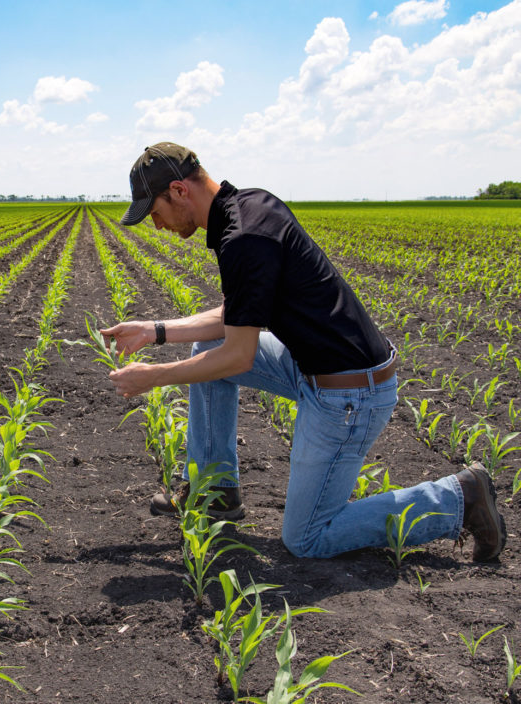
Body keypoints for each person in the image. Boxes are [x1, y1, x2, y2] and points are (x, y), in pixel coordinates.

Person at [101, 142, 506, 561]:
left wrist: (153, 376)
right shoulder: (251, 206)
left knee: (308, 537)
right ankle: (215, 491)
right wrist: (155, 331)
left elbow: (239, 355)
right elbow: (238, 315)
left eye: (156, 212)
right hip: (319, 366)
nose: (158, 225)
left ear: (179, 190)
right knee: (209, 345)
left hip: (348, 396)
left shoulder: (243, 239)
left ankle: (458, 499)